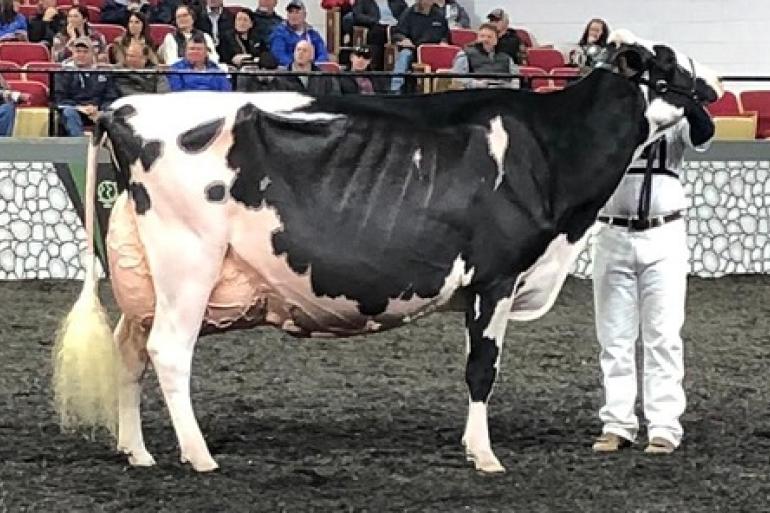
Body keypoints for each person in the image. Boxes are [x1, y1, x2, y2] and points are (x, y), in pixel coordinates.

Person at [591, 95, 716, 455]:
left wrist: (687, 101)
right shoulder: (611, 121)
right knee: (614, 337)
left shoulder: (674, 121)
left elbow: (704, 133)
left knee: (662, 334)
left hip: (663, 233)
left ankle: (663, 426)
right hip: (613, 232)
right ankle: (617, 422)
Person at [54, 37, 118, 136]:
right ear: (73, 54)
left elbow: (111, 97)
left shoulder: (104, 73)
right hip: (75, 110)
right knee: (68, 112)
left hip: (97, 111)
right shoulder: (63, 73)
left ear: (92, 54)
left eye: (85, 52)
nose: (81, 55)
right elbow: (59, 99)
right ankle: (79, 145)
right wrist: (79, 107)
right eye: (78, 51)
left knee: (112, 113)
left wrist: (100, 110)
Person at [389, 0, 449, 93]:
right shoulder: (408, 13)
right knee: (404, 55)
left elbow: (446, 35)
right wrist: (403, 39)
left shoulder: (439, 15)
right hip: (414, 49)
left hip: (434, 50)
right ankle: (395, 90)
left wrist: (444, 42)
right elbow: (397, 33)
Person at [450, 23, 516, 89]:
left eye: (489, 37)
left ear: (496, 40)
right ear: (477, 38)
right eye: (482, 36)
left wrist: (506, 85)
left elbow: (516, 80)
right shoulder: (465, 54)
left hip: (503, 94)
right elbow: (457, 79)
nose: (485, 39)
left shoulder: (507, 58)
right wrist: (477, 84)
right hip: (475, 94)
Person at [268, 0, 328, 68]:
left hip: (311, 72)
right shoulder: (279, 33)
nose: (293, 15)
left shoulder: (312, 34)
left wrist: (314, 67)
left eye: (297, 12)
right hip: (287, 73)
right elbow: (278, 55)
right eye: (290, 12)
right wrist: (296, 66)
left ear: (305, 15)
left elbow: (322, 54)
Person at [350, 0, 406, 71]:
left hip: (395, 27)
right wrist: (375, 21)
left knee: (400, 37)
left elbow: (406, 14)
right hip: (375, 26)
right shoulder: (363, 1)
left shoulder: (397, 1)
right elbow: (357, 16)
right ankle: (375, 67)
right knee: (377, 33)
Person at [270, 39, 339, 95]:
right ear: (294, 53)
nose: (300, 53)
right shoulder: (280, 77)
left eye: (305, 50)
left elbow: (334, 98)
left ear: (312, 56)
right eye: (298, 50)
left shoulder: (324, 77)